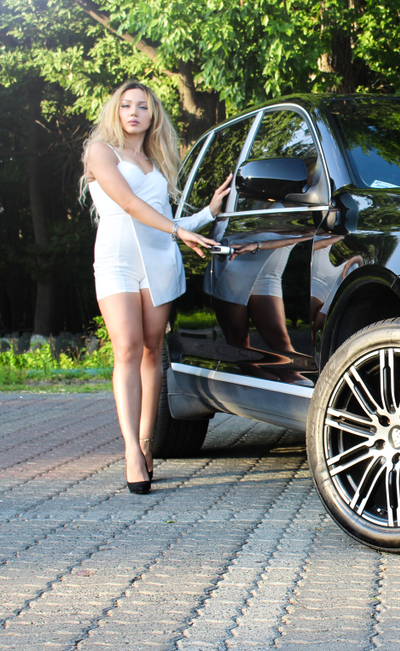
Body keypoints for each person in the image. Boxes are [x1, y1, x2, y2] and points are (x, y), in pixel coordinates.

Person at [81, 80, 231, 495]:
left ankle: (148, 443)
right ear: (116, 111)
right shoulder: (101, 152)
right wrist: (179, 230)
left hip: (159, 261)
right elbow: (129, 204)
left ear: (152, 116)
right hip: (117, 260)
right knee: (126, 348)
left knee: (152, 351)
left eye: (142, 106)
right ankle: (131, 448)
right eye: (126, 105)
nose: (133, 112)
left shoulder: (155, 161)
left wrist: (207, 214)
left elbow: (165, 221)